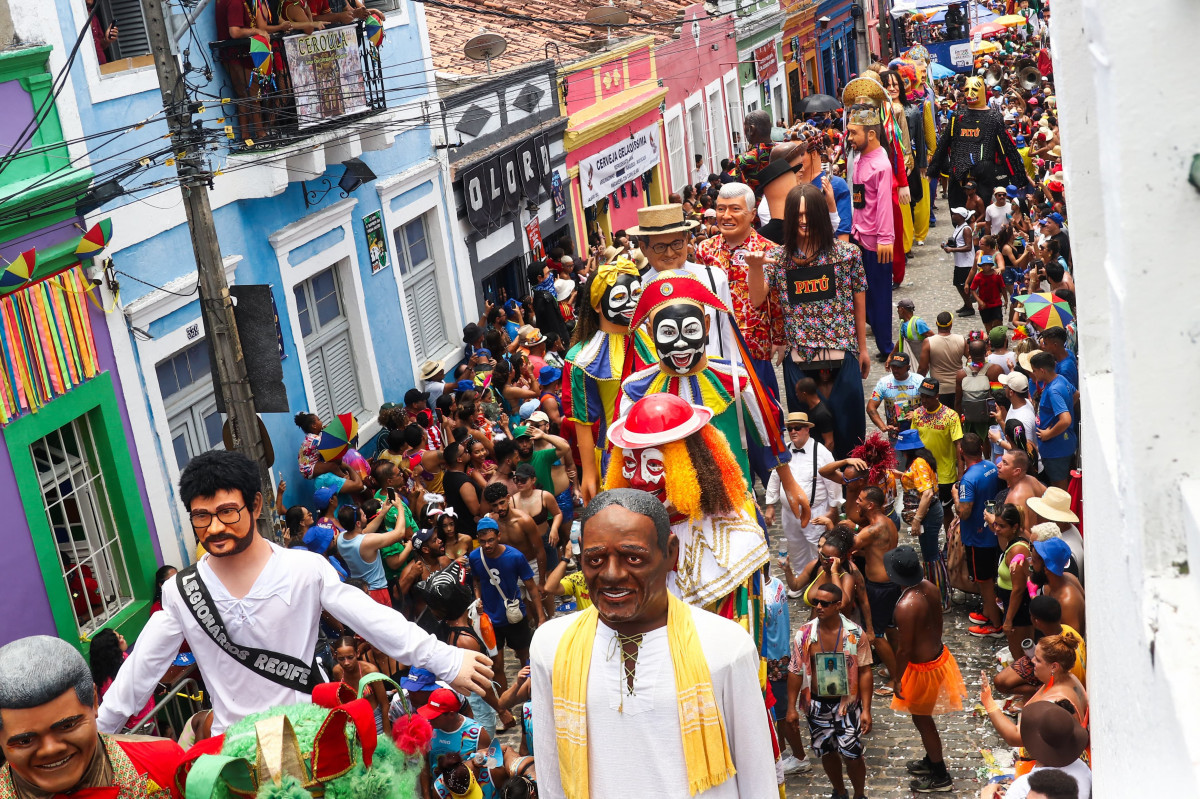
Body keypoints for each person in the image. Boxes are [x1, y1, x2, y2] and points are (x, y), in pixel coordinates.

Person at [96, 450, 492, 735]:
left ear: (255, 506)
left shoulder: (304, 570)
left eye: (227, 512)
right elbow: (138, 672)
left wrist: (443, 658)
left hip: (308, 745)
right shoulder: (181, 593)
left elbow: (372, 619)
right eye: (202, 516)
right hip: (231, 756)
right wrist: (96, 734)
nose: (214, 527)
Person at [530, 489, 776, 798]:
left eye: (633, 558)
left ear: (671, 552)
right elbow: (551, 774)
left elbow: (758, 778)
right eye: (595, 559)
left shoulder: (726, 646)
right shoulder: (550, 646)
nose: (612, 574)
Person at [746, 183, 870, 458]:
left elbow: (859, 304)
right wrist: (755, 267)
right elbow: (756, 299)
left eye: (809, 213)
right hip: (800, 364)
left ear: (820, 214)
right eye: (797, 214)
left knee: (851, 436)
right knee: (809, 441)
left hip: (842, 356)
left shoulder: (847, 254)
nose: (803, 220)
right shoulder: (778, 259)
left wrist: (863, 349)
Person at [0, 636, 185, 799]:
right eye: (25, 741)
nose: (50, 749)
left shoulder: (166, 765)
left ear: (95, 702)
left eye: (67, 726)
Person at [694, 181, 786, 487]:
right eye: (721, 209)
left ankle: (775, 480)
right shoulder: (705, 250)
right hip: (716, 351)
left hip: (753, 348)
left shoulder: (770, 251)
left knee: (762, 414)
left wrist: (780, 338)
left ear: (751, 215)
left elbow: (769, 301)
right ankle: (737, 480)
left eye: (735, 209)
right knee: (727, 419)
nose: (726, 215)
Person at [562, 255, 656, 505]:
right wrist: (589, 473)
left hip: (660, 444)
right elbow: (582, 420)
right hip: (616, 455)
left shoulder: (650, 339)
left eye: (636, 294)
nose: (632, 303)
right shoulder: (581, 358)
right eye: (619, 297)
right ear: (597, 305)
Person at [886, 547, 968, 793]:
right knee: (922, 718)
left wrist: (897, 679)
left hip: (923, 669)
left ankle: (940, 775)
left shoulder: (906, 606)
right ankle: (931, 761)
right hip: (938, 657)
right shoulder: (930, 587)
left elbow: (904, 650)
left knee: (923, 721)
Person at [785, 583, 873, 799]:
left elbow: (865, 671)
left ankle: (859, 795)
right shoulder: (805, 634)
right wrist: (791, 708)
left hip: (848, 704)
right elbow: (795, 671)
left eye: (824, 603)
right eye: (816, 602)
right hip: (817, 704)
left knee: (852, 755)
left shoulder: (854, 633)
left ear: (838, 605)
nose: (819, 607)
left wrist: (866, 710)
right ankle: (839, 791)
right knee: (826, 751)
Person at [630, 204, 735, 362]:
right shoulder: (637, 292)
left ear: (686, 240)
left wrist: (735, 378)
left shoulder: (713, 278)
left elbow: (728, 337)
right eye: (660, 247)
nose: (670, 253)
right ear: (643, 248)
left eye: (676, 244)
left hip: (713, 380)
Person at [845, 99, 897, 358]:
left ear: (872, 134)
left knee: (880, 296)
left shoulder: (881, 165)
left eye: (854, 132)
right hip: (858, 235)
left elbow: (885, 206)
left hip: (877, 242)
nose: (849, 137)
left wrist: (886, 238)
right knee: (861, 293)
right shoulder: (858, 158)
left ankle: (886, 347)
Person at [469, 517, 545, 694]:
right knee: (496, 664)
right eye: (482, 541)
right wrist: (478, 599)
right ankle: (505, 704)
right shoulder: (475, 557)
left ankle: (529, 697)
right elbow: (476, 581)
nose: (487, 545)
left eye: (490, 540)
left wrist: (541, 618)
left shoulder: (515, 557)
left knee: (525, 660)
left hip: (514, 616)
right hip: (490, 619)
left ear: (499, 536)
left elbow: (532, 588)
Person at [765, 411, 840, 575]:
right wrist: (770, 505)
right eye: (790, 428)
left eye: (797, 428)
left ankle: (819, 579)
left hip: (815, 511)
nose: (793, 431)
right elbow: (775, 477)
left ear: (807, 429)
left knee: (817, 547)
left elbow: (833, 481)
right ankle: (799, 578)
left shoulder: (822, 453)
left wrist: (833, 509)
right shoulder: (784, 451)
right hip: (789, 513)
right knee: (795, 546)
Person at [762, 563, 812, 776]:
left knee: (783, 713)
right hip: (782, 654)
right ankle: (781, 753)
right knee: (780, 713)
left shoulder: (762, 600)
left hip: (773, 662)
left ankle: (800, 756)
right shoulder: (777, 583)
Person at [954, 432, 1005, 637]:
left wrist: (956, 497)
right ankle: (987, 611)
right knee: (990, 578)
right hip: (993, 534)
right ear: (982, 448)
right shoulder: (992, 467)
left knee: (984, 583)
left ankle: (995, 625)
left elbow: (964, 513)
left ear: (961, 452)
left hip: (978, 539)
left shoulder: (967, 480)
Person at [852, 486, 901, 696]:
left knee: (877, 635)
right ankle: (899, 670)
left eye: (860, 499)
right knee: (891, 629)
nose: (856, 502)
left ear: (870, 505)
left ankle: (895, 679)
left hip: (879, 589)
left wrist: (838, 524)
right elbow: (874, 551)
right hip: (892, 584)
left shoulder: (871, 529)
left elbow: (847, 545)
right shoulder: (888, 522)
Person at [892, 431, 949, 607]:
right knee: (932, 554)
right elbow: (916, 481)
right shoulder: (921, 460)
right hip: (929, 512)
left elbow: (927, 493)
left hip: (928, 515)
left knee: (931, 557)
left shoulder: (919, 464)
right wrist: (901, 475)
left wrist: (917, 520)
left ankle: (939, 599)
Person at [994, 595, 1087, 699]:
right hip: (1077, 686)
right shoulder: (1068, 630)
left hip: (1068, 691)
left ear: (1036, 621)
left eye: (1037, 660)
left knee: (1001, 682)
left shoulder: (1055, 651)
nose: (1033, 660)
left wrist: (1039, 690)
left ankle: (1038, 690)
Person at [910, 377, 963, 532]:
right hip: (923, 473)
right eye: (922, 396)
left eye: (928, 396)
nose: (924, 400)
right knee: (922, 509)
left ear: (937, 396)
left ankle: (948, 542)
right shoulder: (917, 414)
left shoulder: (951, 416)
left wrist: (960, 473)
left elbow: (958, 445)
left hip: (945, 474)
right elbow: (914, 442)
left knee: (946, 511)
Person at [1029, 350, 1076, 488]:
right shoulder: (1061, 379)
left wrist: (1048, 434)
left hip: (1056, 450)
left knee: (1059, 487)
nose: (1033, 374)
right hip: (1063, 445)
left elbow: (1066, 420)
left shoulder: (1053, 391)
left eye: (1035, 371)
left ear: (1042, 370)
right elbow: (1076, 394)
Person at [1030, 537, 1086, 634]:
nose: (1030, 563)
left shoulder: (1067, 601)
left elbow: (1072, 644)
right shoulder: (1061, 579)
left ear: (1046, 568)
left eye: (1034, 561)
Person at [867, 351, 923, 440]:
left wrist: (918, 414)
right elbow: (871, 407)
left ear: (908, 367)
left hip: (919, 434)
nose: (895, 370)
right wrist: (883, 427)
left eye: (899, 367)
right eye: (893, 366)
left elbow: (932, 404)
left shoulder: (919, 381)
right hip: (895, 436)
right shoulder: (884, 383)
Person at [921, 313, 967, 408]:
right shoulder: (961, 340)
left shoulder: (929, 342)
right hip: (958, 387)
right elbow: (971, 358)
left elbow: (923, 368)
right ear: (951, 325)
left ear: (936, 324)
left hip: (939, 390)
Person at [971, 244, 1010, 332]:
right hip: (984, 305)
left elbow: (1003, 288)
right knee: (987, 325)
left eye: (988, 265)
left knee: (998, 322)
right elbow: (972, 289)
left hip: (996, 303)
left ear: (991, 265)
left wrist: (1006, 300)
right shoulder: (978, 277)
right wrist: (979, 301)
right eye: (984, 265)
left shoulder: (997, 275)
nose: (986, 267)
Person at [794, 376, 837, 451]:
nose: (796, 395)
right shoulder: (810, 409)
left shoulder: (822, 414)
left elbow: (829, 443)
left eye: (797, 392)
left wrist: (818, 460)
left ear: (804, 394)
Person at [895, 298, 932, 366]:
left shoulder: (918, 323)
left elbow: (933, 338)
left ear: (902, 309)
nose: (897, 311)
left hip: (920, 361)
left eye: (898, 308)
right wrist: (891, 356)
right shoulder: (903, 323)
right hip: (910, 361)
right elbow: (900, 341)